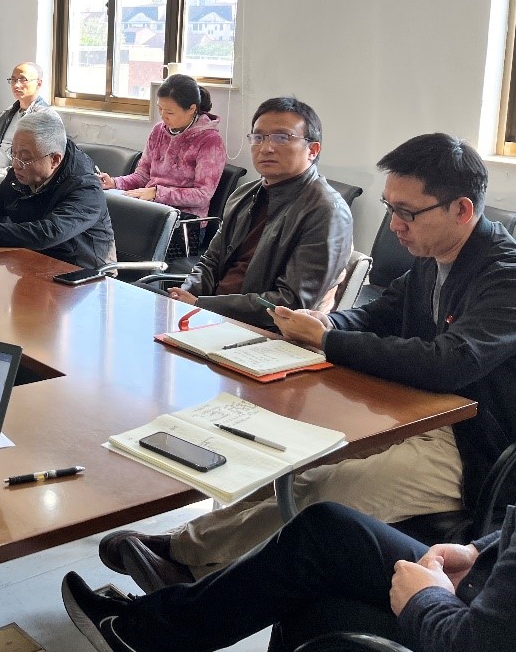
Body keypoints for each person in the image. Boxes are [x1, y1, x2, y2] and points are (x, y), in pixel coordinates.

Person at [105, 132, 516, 593]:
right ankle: (183, 548)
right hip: (416, 414)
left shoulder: (505, 275)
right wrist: (325, 321)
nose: (395, 225)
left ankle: (186, 566)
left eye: (407, 212)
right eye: (389, 208)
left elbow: (449, 362)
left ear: (461, 209)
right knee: (291, 466)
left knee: (321, 490)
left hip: (471, 450)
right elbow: (376, 314)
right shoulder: (432, 256)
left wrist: (329, 339)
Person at [62, 500, 516, 652]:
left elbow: (479, 645)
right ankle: (153, 627)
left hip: (467, 625)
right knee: (326, 529)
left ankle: (145, 631)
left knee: (316, 600)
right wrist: (480, 549)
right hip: (491, 587)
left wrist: (425, 600)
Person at [163, 96, 351, 330]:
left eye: (282, 137)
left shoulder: (327, 211)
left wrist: (202, 305)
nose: (266, 148)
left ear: (312, 150)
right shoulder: (244, 194)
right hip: (210, 318)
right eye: (258, 137)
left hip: (262, 332)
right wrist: (185, 296)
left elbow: (291, 303)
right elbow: (211, 261)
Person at [0, 111, 114, 269]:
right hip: (33, 263)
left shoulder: (85, 187)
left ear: (54, 159)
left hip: (83, 276)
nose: (15, 164)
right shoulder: (23, 172)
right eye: (13, 153)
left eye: (24, 158)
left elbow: (47, 233)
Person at [102, 74, 225, 223]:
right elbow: (142, 176)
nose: (163, 116)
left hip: (183, 221)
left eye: (170, 112)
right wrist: (114, 183)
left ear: (192, 109)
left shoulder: (210, 141)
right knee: (104, 213)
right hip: (150, 209)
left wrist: (156, 193)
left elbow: (202, 195)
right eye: (160, 109)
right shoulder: (158, 131)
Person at [0, 61, 50, 172]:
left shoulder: (44, 118)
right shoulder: (6, 115)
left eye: (23, 80)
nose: (16, 85)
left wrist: (8, 173)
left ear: (39, 83)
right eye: (13, 80)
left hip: (14, 178)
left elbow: (38, 162)